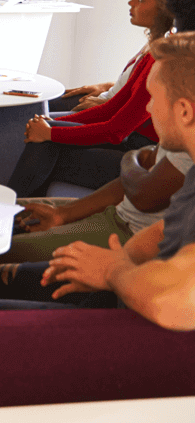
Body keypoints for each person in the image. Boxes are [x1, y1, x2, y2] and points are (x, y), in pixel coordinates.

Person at [38, 32, 195, 329]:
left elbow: (175, 302)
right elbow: (162, 231)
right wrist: (112, 262)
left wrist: (113, 270)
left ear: (184, 111)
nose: (148, 109)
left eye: (153, 99)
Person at [7, 0, 195, 197]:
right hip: (127, 140)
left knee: (46, 145)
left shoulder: (161, 61)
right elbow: (110, 110)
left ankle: (15, 205)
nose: (131, 3)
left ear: (164, 9)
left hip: (140, 152)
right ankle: (22, 206)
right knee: (45, 135)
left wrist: (51, 132)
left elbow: (117, 131)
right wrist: (53, 125)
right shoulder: (151, 52)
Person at [52, 0, 192, 113]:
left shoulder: (159, 55)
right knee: (36, 105)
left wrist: (105, 105)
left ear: (163, 8)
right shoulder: (153, 43)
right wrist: (107, 87)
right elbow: (137, 88)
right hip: (104, 99)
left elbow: (132, 111)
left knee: (30, 120)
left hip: (106, 110)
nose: (130, 2)